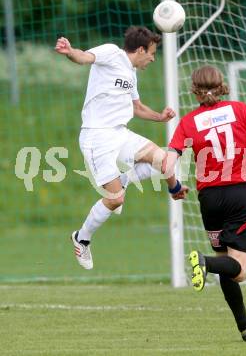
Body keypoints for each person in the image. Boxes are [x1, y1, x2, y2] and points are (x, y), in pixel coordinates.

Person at [54, 26, 187, 270]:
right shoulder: (111, 53)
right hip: (97, 137)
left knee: (164, 159)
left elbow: (136, 107)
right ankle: (81, 238)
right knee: (116, 199)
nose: (153, 58)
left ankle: (143, 181)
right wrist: (70, 51)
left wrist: (160, 116)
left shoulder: (131, 73)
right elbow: (84, 57)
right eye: (152, 53)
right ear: (140, 49)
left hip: (120, 133)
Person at [164, 65, 246, 342]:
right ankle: (203, 262)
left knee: (225, 261)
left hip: (210, 200)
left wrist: (175, 188)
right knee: (239, 271)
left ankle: (245, 325)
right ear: (222, 85)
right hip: (239, 196)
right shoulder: (239, 110)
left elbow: (167, 163)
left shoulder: (189, 121)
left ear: (195, 91)